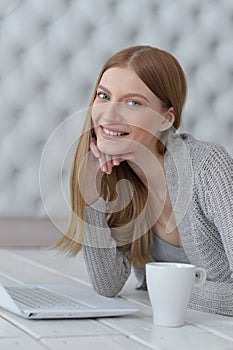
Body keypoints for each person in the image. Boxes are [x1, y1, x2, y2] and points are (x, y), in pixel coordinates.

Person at [55, 45, 233, 316]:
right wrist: (90, 195)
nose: (109, 115)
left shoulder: (208, 166)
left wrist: (167, 291)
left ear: (165, 118)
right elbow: (107, 285)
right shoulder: (118, 180)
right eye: (104, 96)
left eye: (133, 102)